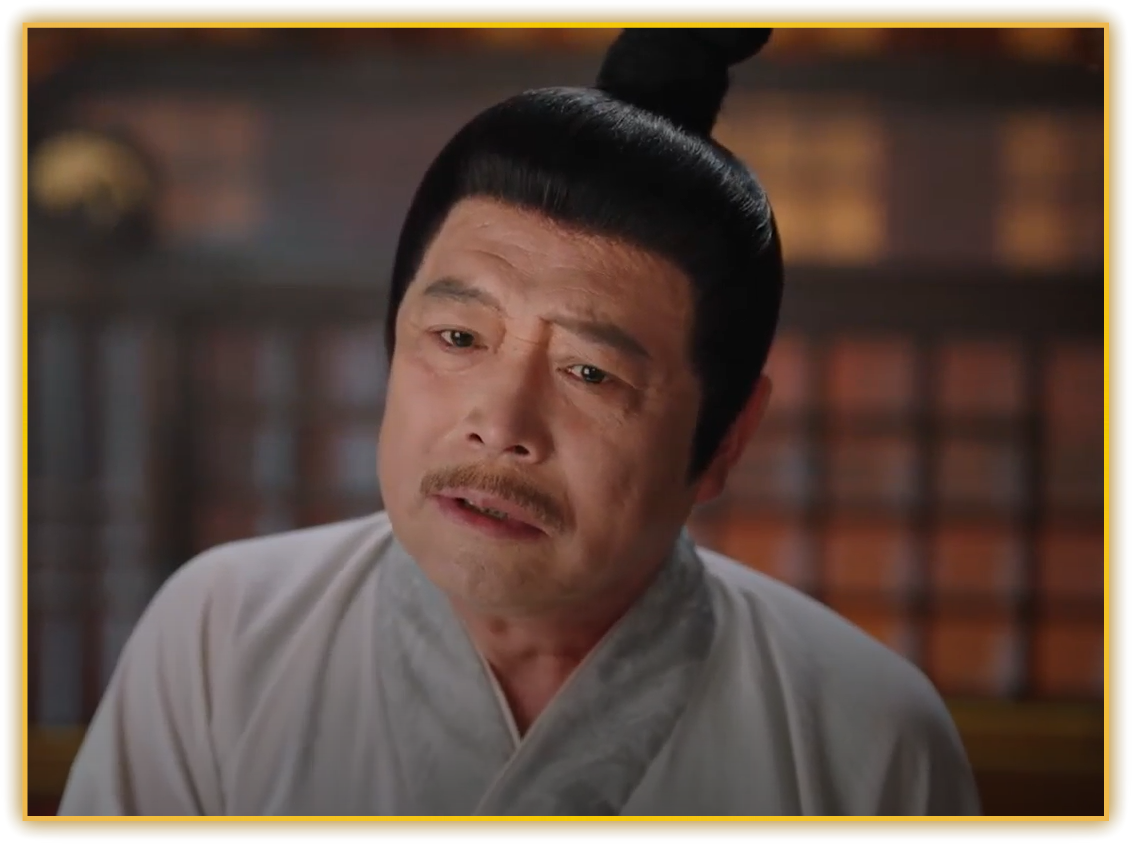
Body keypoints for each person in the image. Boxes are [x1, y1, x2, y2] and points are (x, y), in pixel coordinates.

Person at [58, 28, 980, 816]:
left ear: (726, 438)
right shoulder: (225, 637)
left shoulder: (865, 737)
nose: (500, 425)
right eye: (459, 337)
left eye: (590, 372)